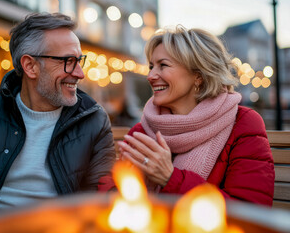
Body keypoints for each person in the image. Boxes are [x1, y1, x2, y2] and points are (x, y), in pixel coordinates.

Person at [0, 12, 116, 219]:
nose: (80, 73)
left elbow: (99, 199)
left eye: (79, 60)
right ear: (30, 66)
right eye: (68, 61)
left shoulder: (93, 120)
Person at [98, 25, 275, 206]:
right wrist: (121, 187)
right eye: (151, 66)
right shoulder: (143, 130)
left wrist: (170, 178)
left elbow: (250, 209)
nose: (150, 75)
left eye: (163, 65)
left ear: (198, 76)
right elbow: (110, 189)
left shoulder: (243, 124)